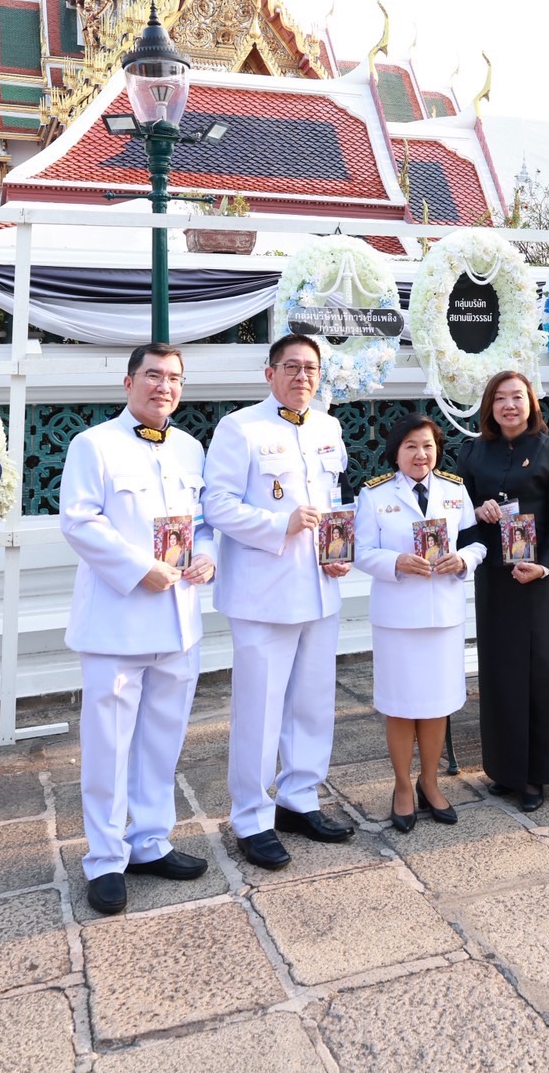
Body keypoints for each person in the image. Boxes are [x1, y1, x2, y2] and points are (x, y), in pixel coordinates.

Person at [60, 341, 216, 916]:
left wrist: (209, 556)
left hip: (178, 622)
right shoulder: (93, 444)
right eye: (153, 375)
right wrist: (138, 568)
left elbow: (204, 523)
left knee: (162, 741)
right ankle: (105, 859)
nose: (164, 386)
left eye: (174, 378)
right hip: (117, 623)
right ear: (129, 383)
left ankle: (150, 841)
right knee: (108, 747)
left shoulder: (191, 448)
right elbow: (79, 522)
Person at [203, 334, 354, 871]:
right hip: (263, 592)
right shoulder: (240, 427)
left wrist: (339, 552)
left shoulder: (328, 427)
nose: (301, 376)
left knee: (313, 702)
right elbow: (216, 505)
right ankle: (251, 817)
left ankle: (299, 798)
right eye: (290, 366)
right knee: (260, 710)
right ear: (269, 373)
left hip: (319, 586)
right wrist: (277, 525)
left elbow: (333, 500)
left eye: (310, 368)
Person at [354, 414, 486, 832]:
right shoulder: (374, 494)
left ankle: (429, 783)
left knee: (436, 705)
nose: (420, 454)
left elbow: (476, 542)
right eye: (411, 446)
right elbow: (360, 551)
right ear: (396, 452)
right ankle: (402, 788)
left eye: (428, 446)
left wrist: (463, 560)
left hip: (443, 616)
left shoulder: (454, 490)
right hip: (397, 619)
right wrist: (395, 561)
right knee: (399, 706)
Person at [457, 371, 549, 812]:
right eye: (501, 398)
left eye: (518, 397)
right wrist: (476, 509)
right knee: (499, 672)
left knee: (537, 672)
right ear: (489, 406)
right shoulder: (472, 452)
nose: (510, 406)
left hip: (536, 579)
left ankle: (535, 775)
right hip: (494, 576)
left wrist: (544, 565)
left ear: (531, 403)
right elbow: (456, 512)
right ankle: (504, 769)